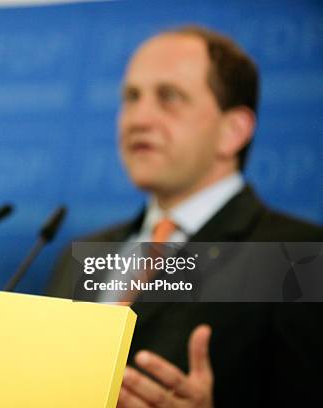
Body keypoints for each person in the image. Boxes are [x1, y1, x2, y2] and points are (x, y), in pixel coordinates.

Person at [46, 26, 322, 407]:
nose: (137, 119)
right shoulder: (80, 255)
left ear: (233, 130)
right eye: (131, 97)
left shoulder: (302, 255)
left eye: (169, 97)